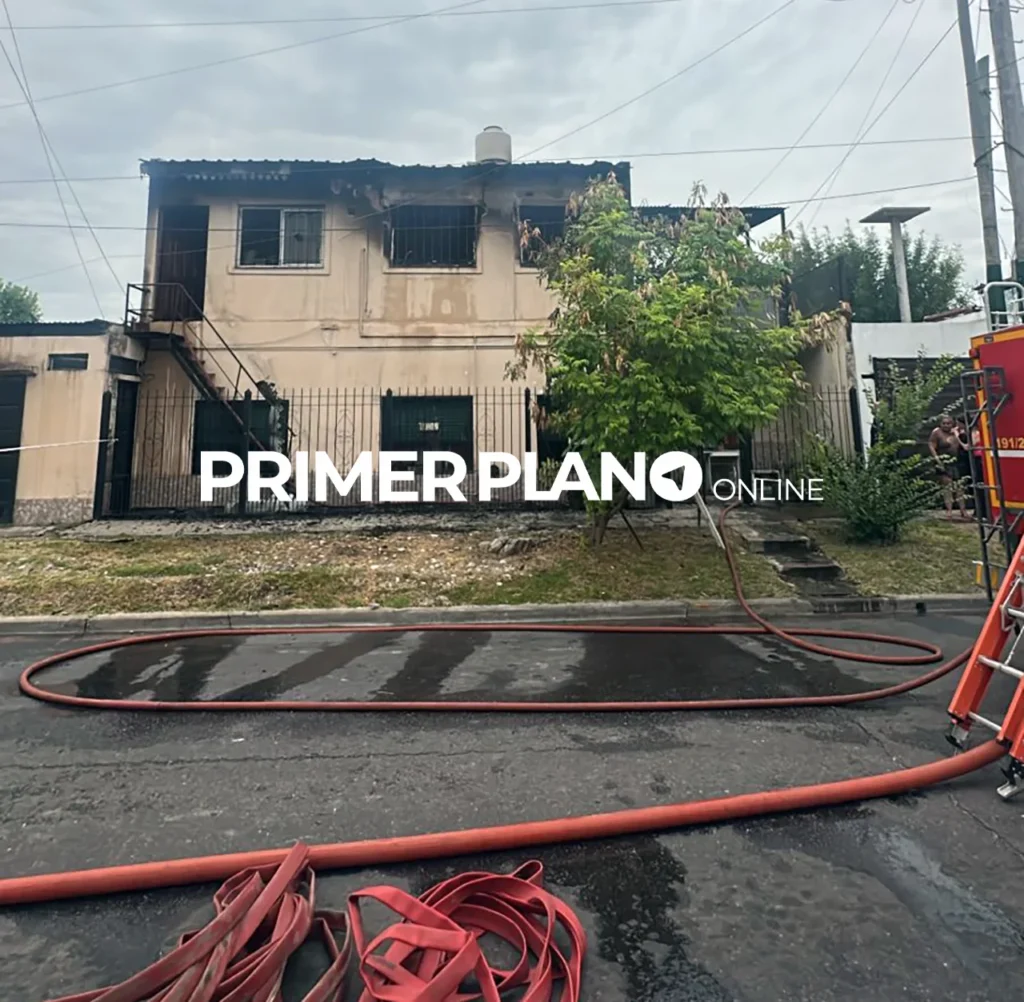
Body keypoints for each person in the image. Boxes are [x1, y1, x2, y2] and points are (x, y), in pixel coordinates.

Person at [928, 415, 969, 521]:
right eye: (944, 423)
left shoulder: (956, 432)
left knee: (960, 487)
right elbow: (932, 446)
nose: (946, 425)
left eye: (948, 423)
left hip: (957, 462)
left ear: (952, 424)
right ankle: (949, 511)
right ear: (940, 424)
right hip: (944, 462)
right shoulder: (937, 432)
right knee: (948, 487)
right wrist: (938, 460)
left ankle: (963, 510)